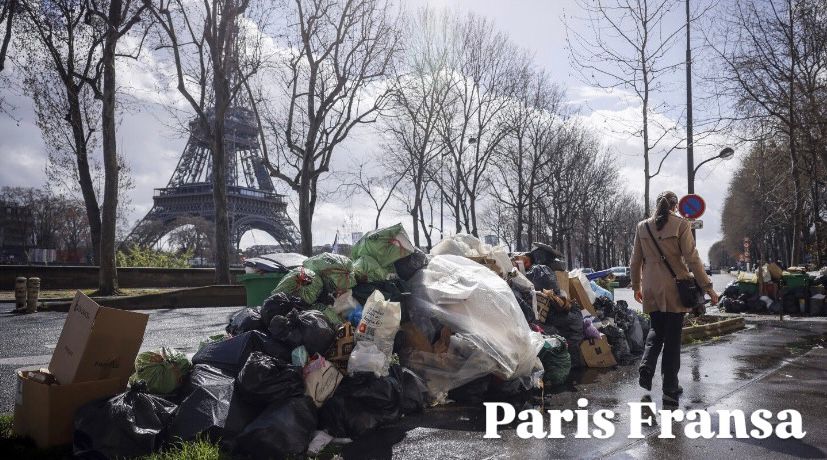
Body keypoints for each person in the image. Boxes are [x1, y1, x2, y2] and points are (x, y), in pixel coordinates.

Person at [630, 191, 719, 405]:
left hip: (651, 287)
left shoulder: (643, 226)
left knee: (656, 329)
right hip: (675, 288)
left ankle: (646, 365)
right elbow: (693, 260)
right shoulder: (681, 224)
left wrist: (636, 286)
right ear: (675, 206)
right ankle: (670, 387)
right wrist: (709, 289)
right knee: (672, 340)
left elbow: (635, 261)